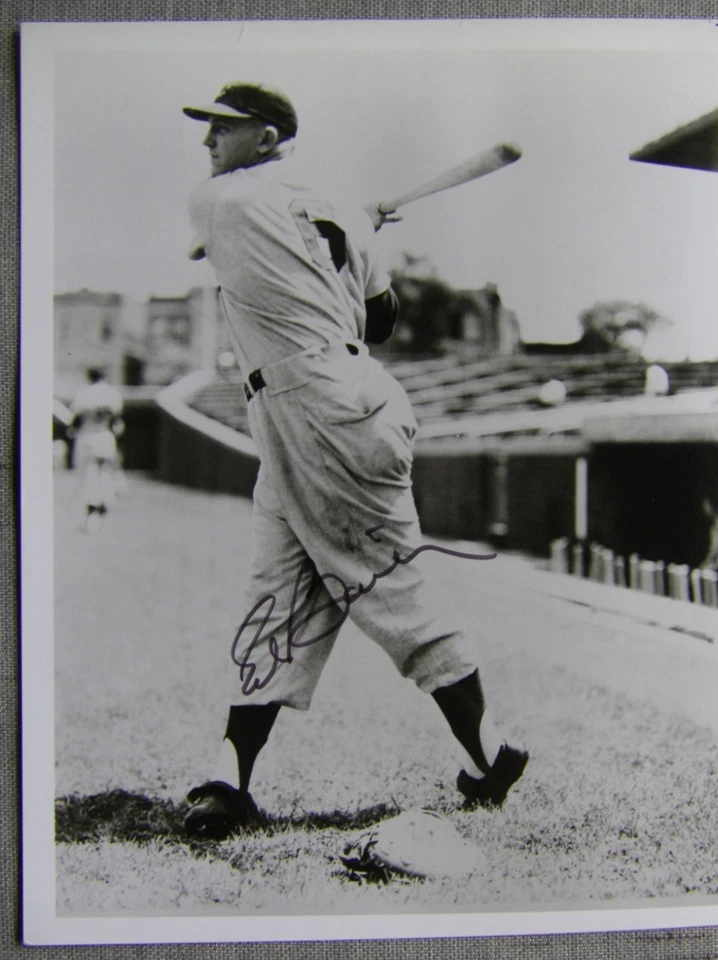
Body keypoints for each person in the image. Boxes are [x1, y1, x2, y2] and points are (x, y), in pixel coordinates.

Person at [182, 83, 529, 839]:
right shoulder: (331, 202)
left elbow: (253, 254)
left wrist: (349, 224)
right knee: (274, 591)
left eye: (224, 127)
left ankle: (489, 751)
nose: (209, 140)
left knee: (390, 589)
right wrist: (359, 232)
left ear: (268, 139)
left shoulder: (221, 198)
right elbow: (383, 319)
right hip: (313, 405)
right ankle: (228, 778)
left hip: (322, 404)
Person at [70, 368, 124, 532]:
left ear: (89, 376)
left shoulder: (84, 393)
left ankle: (93, 512)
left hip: (87, 436)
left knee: (88, 476)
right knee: (105, 473)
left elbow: (76, 418)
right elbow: (117, 420)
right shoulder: (112, 393)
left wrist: (71, 430)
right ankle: (104, 503)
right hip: (105, 436)